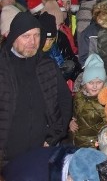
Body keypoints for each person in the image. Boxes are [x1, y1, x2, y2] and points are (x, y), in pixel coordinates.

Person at [0, 11, 72, 170]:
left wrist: (54, 136)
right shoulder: (2, 67)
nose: (32, 41)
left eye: (36, 35)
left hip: (42, 152)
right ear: (13, 38)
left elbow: (65, 100)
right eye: (26, 36)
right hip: (6, 156)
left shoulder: (47, 65)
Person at [69, 53, 107, 148]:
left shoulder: (105, 102)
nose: (95, 86)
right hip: (75, 142)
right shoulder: (78, 95)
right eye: (91, 82)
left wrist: (99, 142)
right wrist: (70, 122)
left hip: (94, 146)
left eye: (99, 82)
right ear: (85, 82)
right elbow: (74, 115)